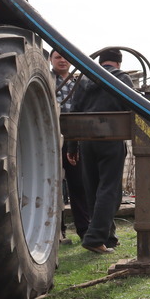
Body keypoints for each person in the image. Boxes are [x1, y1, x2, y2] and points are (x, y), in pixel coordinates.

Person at [69, 48, 135, 254]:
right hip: (111, 138)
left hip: (86, 140)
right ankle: (95, 237)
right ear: (118, 63)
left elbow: (74, 111)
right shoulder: (122, 78)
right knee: (110, 190)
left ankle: (108, 237)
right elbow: (134, 106)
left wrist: (72, 146)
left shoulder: (84, 79)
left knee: (93, 188)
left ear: (101, 62)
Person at [49, 48, 90, 242]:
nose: (62, 60)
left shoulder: (78, 84)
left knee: (78, 186)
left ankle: (84, 230)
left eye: (65, 57)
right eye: (57, 57)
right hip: (50, 140)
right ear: (51, 60)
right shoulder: (46, 80)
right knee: (52, 187)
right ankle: (57, 232)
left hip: (74, 141)